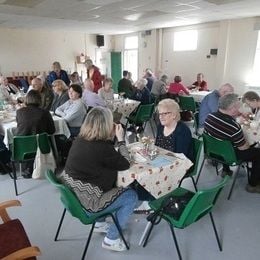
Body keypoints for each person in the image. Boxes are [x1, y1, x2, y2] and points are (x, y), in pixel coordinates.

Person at [59, 107, 138, 251]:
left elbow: (102, 159)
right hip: (88, 205)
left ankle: (100, 223)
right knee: (131, 196)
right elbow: (125, 163)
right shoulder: (101, 148)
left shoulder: (79, 140)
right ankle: (111, 239)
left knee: (109, 183)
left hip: (73, 197)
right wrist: (120, 140)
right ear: (106, 126)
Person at [204, 93, 260, 193]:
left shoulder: (209, 117)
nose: (240, 109)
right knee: (258, 153)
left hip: (214, 152)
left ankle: (226, 170)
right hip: (230, 156)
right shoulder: (233, 126)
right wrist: (248, 143)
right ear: (233, 108)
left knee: (222, 142)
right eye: (238, 106)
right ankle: (253, 185)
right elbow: (244, 148)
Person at [15, 90, 55, 178]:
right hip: (40, 147)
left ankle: (28, 168)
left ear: (27, 99)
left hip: (22, 147)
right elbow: (52, 131)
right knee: (46, 139)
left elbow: (21, 127)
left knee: (28, 137)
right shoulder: (45, 112)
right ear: (40, 100)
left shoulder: (19, 112)